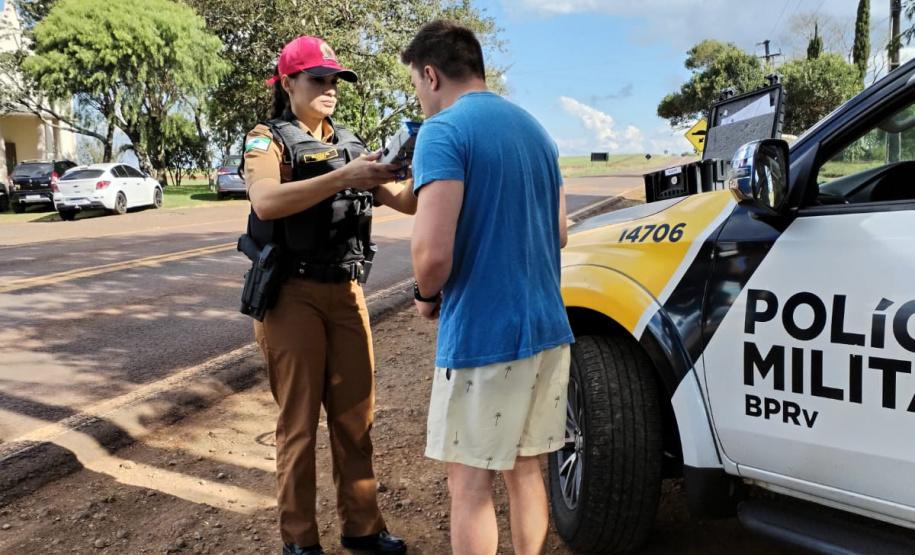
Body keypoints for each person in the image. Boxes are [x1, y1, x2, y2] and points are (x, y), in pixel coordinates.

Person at [403, 20, 574, 555]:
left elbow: (431, 254)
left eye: (415, 83)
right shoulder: (534, 130)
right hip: (547, 329)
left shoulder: (443, 131)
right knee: (526, 472)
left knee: (469, 485)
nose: (419, 96)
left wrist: (427, 297)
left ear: (431, 75)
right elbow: (561, 232)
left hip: (483, 337)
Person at [242, 35, 414, 555]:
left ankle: (362, 529)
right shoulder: (265, 138)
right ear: (288, 83)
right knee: (298, 426)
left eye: (334, 80)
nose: (329, 88)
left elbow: (403, 202)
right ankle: (300, 540)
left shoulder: (353, 143)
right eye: (317, 79)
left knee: (355, 418)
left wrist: (421, 166)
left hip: (346, 291)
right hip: (290, 295)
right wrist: (345, 176)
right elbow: (266, 201)